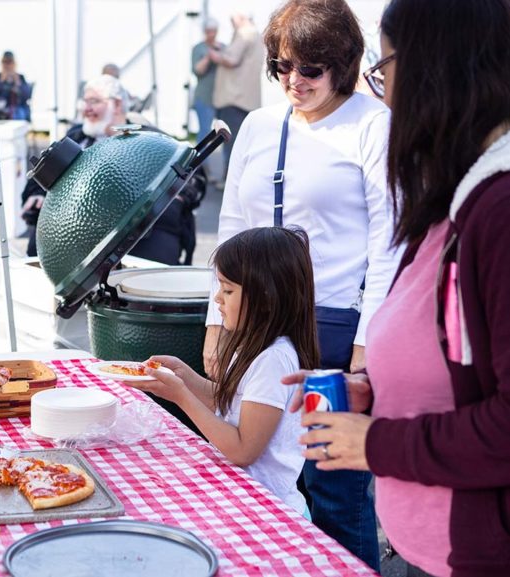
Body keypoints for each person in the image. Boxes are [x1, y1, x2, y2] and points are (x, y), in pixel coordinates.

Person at [289, 1, 510, 576]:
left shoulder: (501, 209)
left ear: (438, 66)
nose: (386, 95)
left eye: (386, 70)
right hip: (434, 550)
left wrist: (377, 443)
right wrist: (377, 389)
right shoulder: (461, 196)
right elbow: (462, 368)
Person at [203, 0, 400, 570]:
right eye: (282, 65)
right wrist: (216, 325)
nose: (294, 80)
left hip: (330, 332)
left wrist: (364, 348)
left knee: (333, 484)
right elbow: (232, 226)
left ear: (343, 63)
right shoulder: (261, 125)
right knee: (263, 476)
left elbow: (386, 244)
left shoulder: (373, 125)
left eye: (310, 68)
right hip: (256, 330)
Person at [125, 227, 318, 514]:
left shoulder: (274, 360)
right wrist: (185, 377)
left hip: (271, 509)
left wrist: (182, 397)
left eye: (228, 289)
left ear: (265, 298)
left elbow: (243, 450)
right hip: (242, 495)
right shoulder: (253, 346)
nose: (217, 299)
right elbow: (228, 402)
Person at [21, 74, 205, 265]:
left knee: (153, 262)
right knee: (38, 250)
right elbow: (43, 174)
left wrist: (171, 191)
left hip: (141, 231)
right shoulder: (76, 138)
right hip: (78, 231)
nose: (87, 109)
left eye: (94, 101)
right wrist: (37, 196)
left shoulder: (149, 139)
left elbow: (194, 177)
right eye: (85, 102)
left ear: (117, 105)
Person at [212, 13, 262, 182]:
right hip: (244, 99)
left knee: (230, 142)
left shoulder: (244, 33)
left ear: (240, 17)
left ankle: (230, 180)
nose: (231, 23)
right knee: (241, 142)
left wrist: (216, 55)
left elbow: (232, 59)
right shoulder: (255, 33)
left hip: (235, 98)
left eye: (232, 19)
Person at [191, 18, 223, 142]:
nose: (211, 34)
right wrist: (209, 56)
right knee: (205, 131)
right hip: (204, 97)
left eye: (214, 31)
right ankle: (201, 161)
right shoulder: (198, 48)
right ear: (204, 32)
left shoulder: (223, 47)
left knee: (222, 131)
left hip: (221, 97)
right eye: (209, 31)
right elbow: (197, 71)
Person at [0, 51, 32, 121]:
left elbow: (27, 96)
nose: (7, 65)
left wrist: (18, 82)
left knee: (19, 113)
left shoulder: (20, 77)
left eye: (10, 62)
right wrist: (1, 81)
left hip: (17, 109)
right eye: (5, 62)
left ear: (14, 64)